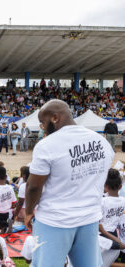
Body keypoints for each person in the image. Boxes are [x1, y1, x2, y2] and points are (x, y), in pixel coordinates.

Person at [25, 99, 115, 267]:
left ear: (55, 118)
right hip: (89, 219)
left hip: (54, 221)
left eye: (42, 122)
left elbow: (33, 186)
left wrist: (29, 211)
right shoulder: (102, 143)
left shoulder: (47, 145)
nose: (42, 127)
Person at [99, 169, 125, 249]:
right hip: (114, 234)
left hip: (102, 236)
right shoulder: (123, 200)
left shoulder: (102, 201)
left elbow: (99, 226)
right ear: (120, 187)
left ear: (105, 186)